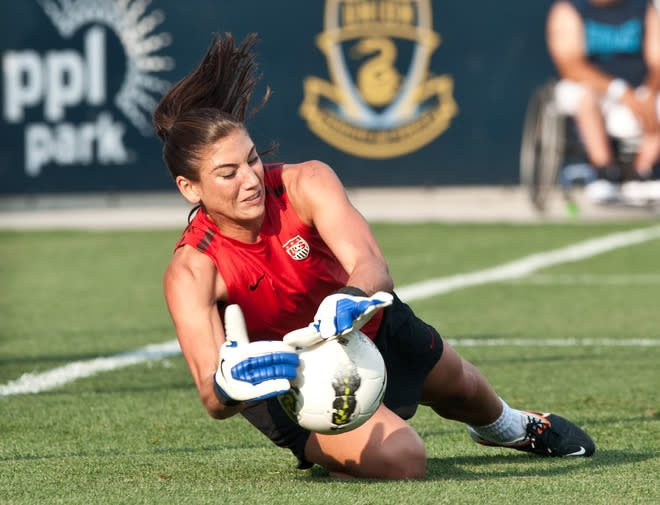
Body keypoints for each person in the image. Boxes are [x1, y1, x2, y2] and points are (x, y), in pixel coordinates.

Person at [153, 33, 595, 480]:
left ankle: (510, 427)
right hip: (292, 381)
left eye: (250, 160)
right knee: (404, 459)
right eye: (227, 173)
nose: (249, 179)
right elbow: (212, 397)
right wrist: (231, 385)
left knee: (464, 389)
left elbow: (373, 268)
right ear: (189, 188)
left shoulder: (305, 182)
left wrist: (347, 299)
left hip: (367, 326)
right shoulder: (192, 269)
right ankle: (339, 454)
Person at [546, 0, 660, 202]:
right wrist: (620, 91)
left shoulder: (643, 7)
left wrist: (649, 93)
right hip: (594, 91)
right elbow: (570, 65)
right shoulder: (570, 8)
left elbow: (657, 60)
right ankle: (604, 171)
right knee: (584, 95)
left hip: (637, 92)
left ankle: (641, 173)